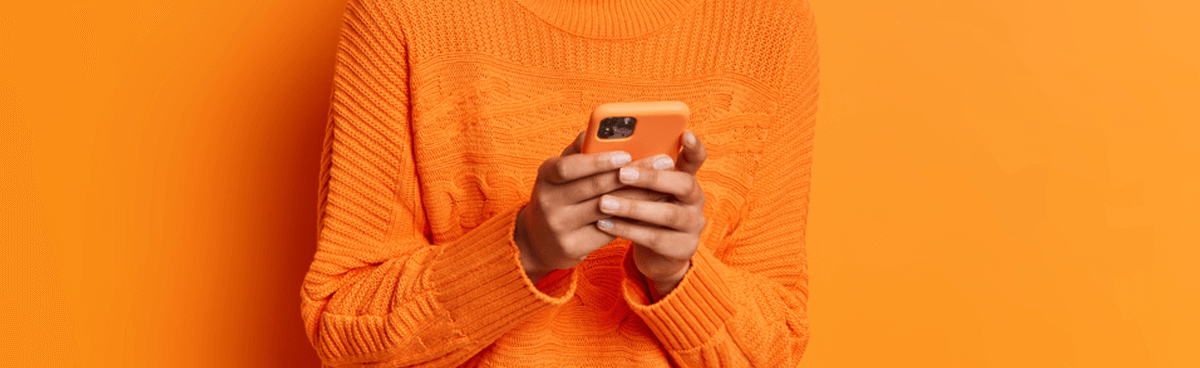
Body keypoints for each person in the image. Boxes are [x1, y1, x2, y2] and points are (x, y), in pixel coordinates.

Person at [299, 0, 818, 366]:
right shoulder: (405, 13)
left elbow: (776, 347)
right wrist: (527, 248)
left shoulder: (770, 26)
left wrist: (675, 273)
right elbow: (345, 331)